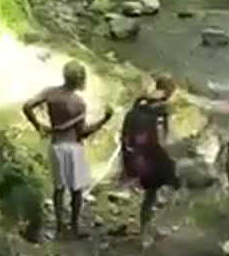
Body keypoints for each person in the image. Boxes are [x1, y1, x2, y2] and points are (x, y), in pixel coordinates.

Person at [21, 61, 114, 239]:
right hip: (73, 147)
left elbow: (27, 106)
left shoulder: (49, 93)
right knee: (76, 190)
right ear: (80, 79)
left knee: (58, 188)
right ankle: (74, 226)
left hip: (56, 145)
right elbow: (82, 134)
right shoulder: (79, 104)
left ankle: (59, 225)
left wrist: (38, 126)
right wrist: (104, 120)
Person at [120, 75, 178, 234]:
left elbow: (126, 131)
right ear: (170, 90)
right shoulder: (162, 108)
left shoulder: (139, 102)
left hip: (135, 156)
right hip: (152, 156)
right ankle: (148, 229)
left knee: (151, 193)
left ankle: (146, 227)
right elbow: (162, 138)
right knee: (159, 192)